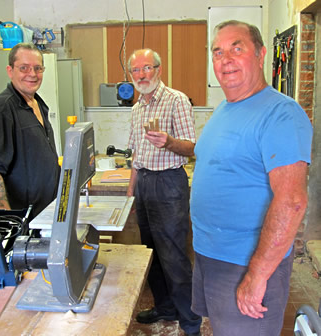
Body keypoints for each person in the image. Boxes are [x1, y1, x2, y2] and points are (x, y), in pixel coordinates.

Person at [190, 20, 313, 336]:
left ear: (260, 55)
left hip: (244, 261)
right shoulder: (226, 108)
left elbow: (292, 201)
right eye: (218, 52)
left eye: (237, 48)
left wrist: (257, 275)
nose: (225, 59)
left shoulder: (280, 114)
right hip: (212, 255)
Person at [126, 48, 202, 336]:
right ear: (131, 75)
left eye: (147, 68)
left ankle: (190, 321)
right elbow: (135, 153)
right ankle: (165, 307)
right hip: (144, 183)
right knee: (151, 252)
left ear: (159, 69)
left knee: (173, 255)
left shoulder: (176, 100)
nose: (142, 74)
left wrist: (169, 142)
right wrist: (132, 190)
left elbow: (192, 147)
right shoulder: (136, 108)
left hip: (169, 183)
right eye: (136, 70)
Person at [0, 43, 60, 221]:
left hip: (45, 213)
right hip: (24, 219)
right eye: (24, 68)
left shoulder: (38, 103)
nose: (32, 74)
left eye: (38, 68)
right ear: (10, 70)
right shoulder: (3, 108)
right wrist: (9, 221)